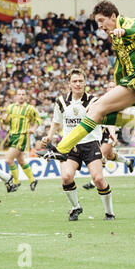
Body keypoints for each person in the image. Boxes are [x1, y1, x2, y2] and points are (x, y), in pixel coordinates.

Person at [38, 0, 135, 161]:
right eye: (97, 22)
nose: (99, 25)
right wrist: (119, 84)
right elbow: (121, 64)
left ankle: (62, 149)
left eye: (101, 21)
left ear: (113, 16)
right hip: (134, 80)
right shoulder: (114, 37)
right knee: (97, 114)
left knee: (96, 107)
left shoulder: (128, 23)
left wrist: (123, 31)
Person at [40, 69, 117, 221]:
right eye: (74, 81)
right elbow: (57, 121)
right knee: (66, 177)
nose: (77, 84)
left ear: (85, 82)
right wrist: (49, 136)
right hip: (70, 145)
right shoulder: (61, 101)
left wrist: (112, 132)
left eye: (80, 81)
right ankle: (76, 207)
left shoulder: (93, 101)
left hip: (90, 143)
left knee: (98, 179)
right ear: (69, 84)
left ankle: (109, 212)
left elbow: (107, 118)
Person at [83, 81, 134, 190]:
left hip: (112, 131)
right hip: (101, 131)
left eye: (113, 87)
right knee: (110, 155)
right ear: (107, 89)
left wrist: (112, 133)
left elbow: (114, 120)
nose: (111, 88)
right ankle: (128, 161)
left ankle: (94, 182)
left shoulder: (119, 102)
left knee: (102, 154)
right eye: (109, 87)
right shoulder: (102, 100)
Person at [1, 88, 41, 191]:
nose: (21, 96)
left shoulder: (29, 108)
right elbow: (6, 122)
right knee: (21, 161)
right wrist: (4, 119)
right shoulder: (10, 108)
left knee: (8, 159)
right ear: (16, 96)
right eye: (19, 94)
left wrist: (33, 128)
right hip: (12, 136)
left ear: (26, 96)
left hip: (21, 136)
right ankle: (32, 180)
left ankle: (16, 182)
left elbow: (38, 119)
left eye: (23, 94)